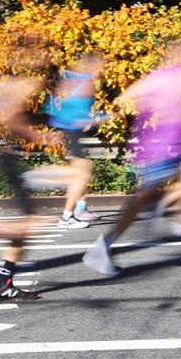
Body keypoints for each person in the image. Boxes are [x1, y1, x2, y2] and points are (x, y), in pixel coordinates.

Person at [83, 40, 181, 276]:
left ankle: (156, 217)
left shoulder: (178, 76)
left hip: (172, 143)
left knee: (168, 187)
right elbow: (128, 95)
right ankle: (108, 243)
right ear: (177, 54)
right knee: (146, 196)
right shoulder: (165, 77)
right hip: (160, 145)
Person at [0, 35, 56, 300]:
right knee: (30, 223)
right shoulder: (21, 84)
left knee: (28, 224)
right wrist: (40, 137)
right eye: (39, 52)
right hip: (9, 159)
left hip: (9, 158)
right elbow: (13, 120)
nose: (44, 57)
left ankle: (2, 282)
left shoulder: (9, 83)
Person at [43, 53, 107, 228]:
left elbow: (55, 105)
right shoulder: (85, 82)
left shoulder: (71, 76)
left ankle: (78, 208)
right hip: (70, 131)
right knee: (81, 173)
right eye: (101, 64)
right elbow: (79, 117)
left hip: (63, 128)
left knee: (81, 172)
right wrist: (106, 116)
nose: (103, 69)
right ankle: (67, 217)